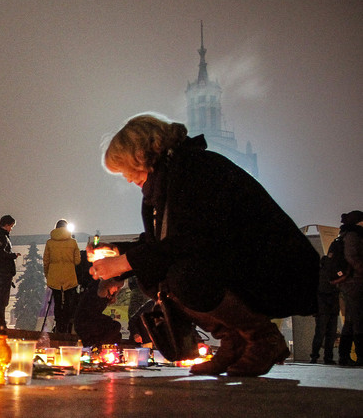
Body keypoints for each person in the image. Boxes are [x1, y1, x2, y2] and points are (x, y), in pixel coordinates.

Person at [90, 114, 318, 377]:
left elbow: (194, 239)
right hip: (234, 263)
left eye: (127, 170)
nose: (128, 179)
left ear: (142, 155)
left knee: (186, 277)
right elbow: (162, 243)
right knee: (152, 274)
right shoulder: (165, 183)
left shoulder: (195, 171)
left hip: (272, 266)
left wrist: (125, 262)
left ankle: (263, 337)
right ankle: (234, 339)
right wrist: (117, 253)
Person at [43, 219, 81, 334]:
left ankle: (59, 326)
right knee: (69, 302)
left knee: (58, 302)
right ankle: (67, 325)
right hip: (70, 277)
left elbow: (46, 261)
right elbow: (77, 260)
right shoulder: (73, 242)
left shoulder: (50, 243)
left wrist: (48, 275)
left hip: (54, 278)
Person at [336, 210, 363, 366]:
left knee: (351, 321)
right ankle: (360, 356)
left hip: (350, 282)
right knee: (358, 320)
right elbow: (351, 257)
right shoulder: (353, 236)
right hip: (354, 283)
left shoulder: (347, 234)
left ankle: (344, 356)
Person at [310, 247, 340, 364]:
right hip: (331, 306)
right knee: (330, 334)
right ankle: (328, 357)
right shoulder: (334, 273)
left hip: (322, 307)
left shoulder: (318, 274)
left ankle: (315, 356)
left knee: (320, 332)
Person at [0, 215, 20, 317]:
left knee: (4, 299)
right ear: (6, 225)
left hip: (5, 271)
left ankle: (0, 321)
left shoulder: (3, 236)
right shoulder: (0, 237)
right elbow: (0, 253)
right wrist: (13, 255)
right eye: (11, 226)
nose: (11, 229)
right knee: (3, 299)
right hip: (3, 271)